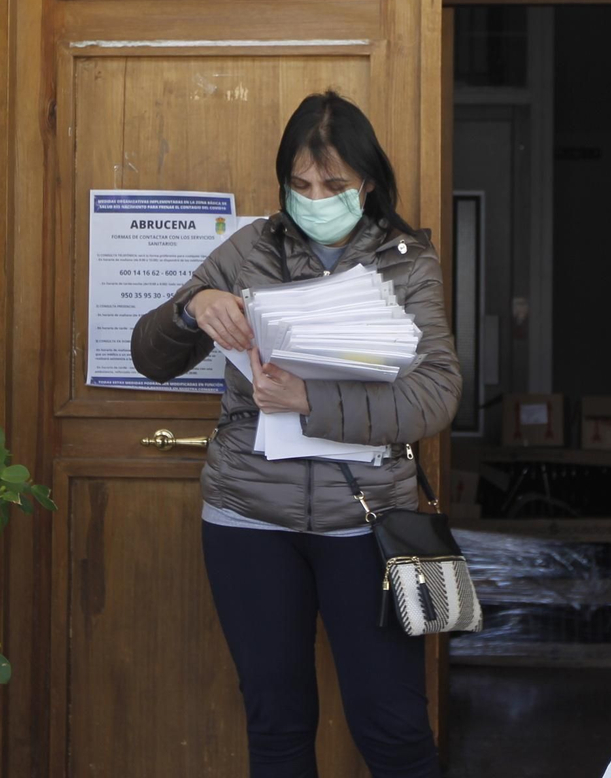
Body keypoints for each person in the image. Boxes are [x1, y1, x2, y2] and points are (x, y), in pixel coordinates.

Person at [132, 91, 461, 778]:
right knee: (276, 724)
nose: (316, 198)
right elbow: (149, 356)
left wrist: (310, 399)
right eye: (300, 184)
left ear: (367, 182)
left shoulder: (408, 263)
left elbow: (434, 395)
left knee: (394, 726)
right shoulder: (248, 249)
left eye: (334, 184)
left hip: (367, 524)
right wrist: (193, 308)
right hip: (248, 518)